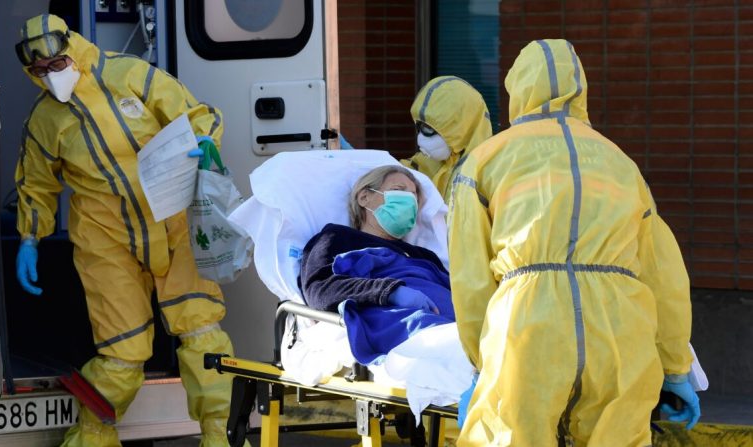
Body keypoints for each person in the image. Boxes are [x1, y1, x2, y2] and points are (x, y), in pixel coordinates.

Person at [448, 39, 700, 446]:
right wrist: (675, 367)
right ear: (581, 89)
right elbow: (664, 273)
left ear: (518, 90)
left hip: (527, 329)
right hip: (620, 333)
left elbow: (470, 277)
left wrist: (482, 365)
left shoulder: (485, 160)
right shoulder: (619, 161)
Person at [13, 14, 240, 447]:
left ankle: (223, 438)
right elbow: (37, 184)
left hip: (172, 220)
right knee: (122, 352)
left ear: (72, 48)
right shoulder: (45, 120)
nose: (50, 76)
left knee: (202, 333)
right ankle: (93, 438)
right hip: (106, 239)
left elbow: (193, 113)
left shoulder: (129, 73)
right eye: (40, 71)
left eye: (57, 64)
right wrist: (30, 237)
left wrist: (204, 139)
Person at [299, 165, 455, 364]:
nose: (409, 201)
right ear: (364, 197)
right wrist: (391, 292)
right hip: (413, 326)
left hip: (459, 323)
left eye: (415, 197)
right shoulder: (337, 237)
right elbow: (320, 290)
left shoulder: (424, 255)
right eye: (399, 190)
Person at [402, 76, 493, 202]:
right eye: (419, 127)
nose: (420, 138)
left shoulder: (490, 175)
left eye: (428, 129)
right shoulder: (422, 165)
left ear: (459, 128)